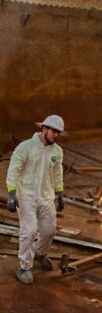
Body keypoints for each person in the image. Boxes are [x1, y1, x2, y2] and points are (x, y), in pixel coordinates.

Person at [6, 115, 66, 285]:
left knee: (49, 230)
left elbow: (57, 173)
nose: (56, 135)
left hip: (46, 196)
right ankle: (24, 267)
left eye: (59, 132)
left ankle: (39, 253)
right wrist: (12, 193)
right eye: (54, 131)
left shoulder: (57, 151)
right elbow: (14, 170)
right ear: (44, 128)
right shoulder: (26, 147)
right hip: (26, 196)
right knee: (29, 231)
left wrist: (60, 192)